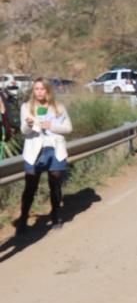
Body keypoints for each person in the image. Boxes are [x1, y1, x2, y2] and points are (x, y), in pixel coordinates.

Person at [16, 79, 72, 231]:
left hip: (55, 151)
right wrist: (28, 125)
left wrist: (52, 126)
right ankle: (23, 219)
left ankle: (55, 214)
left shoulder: (58, 107)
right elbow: (23, 131)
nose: (39, 92)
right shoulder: (26, 107)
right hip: (34, 151)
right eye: (36, 89)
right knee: (30, 187)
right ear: (33, 91)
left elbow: (68, 128)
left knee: (55, 185)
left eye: (42, 89)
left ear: (48, 90)